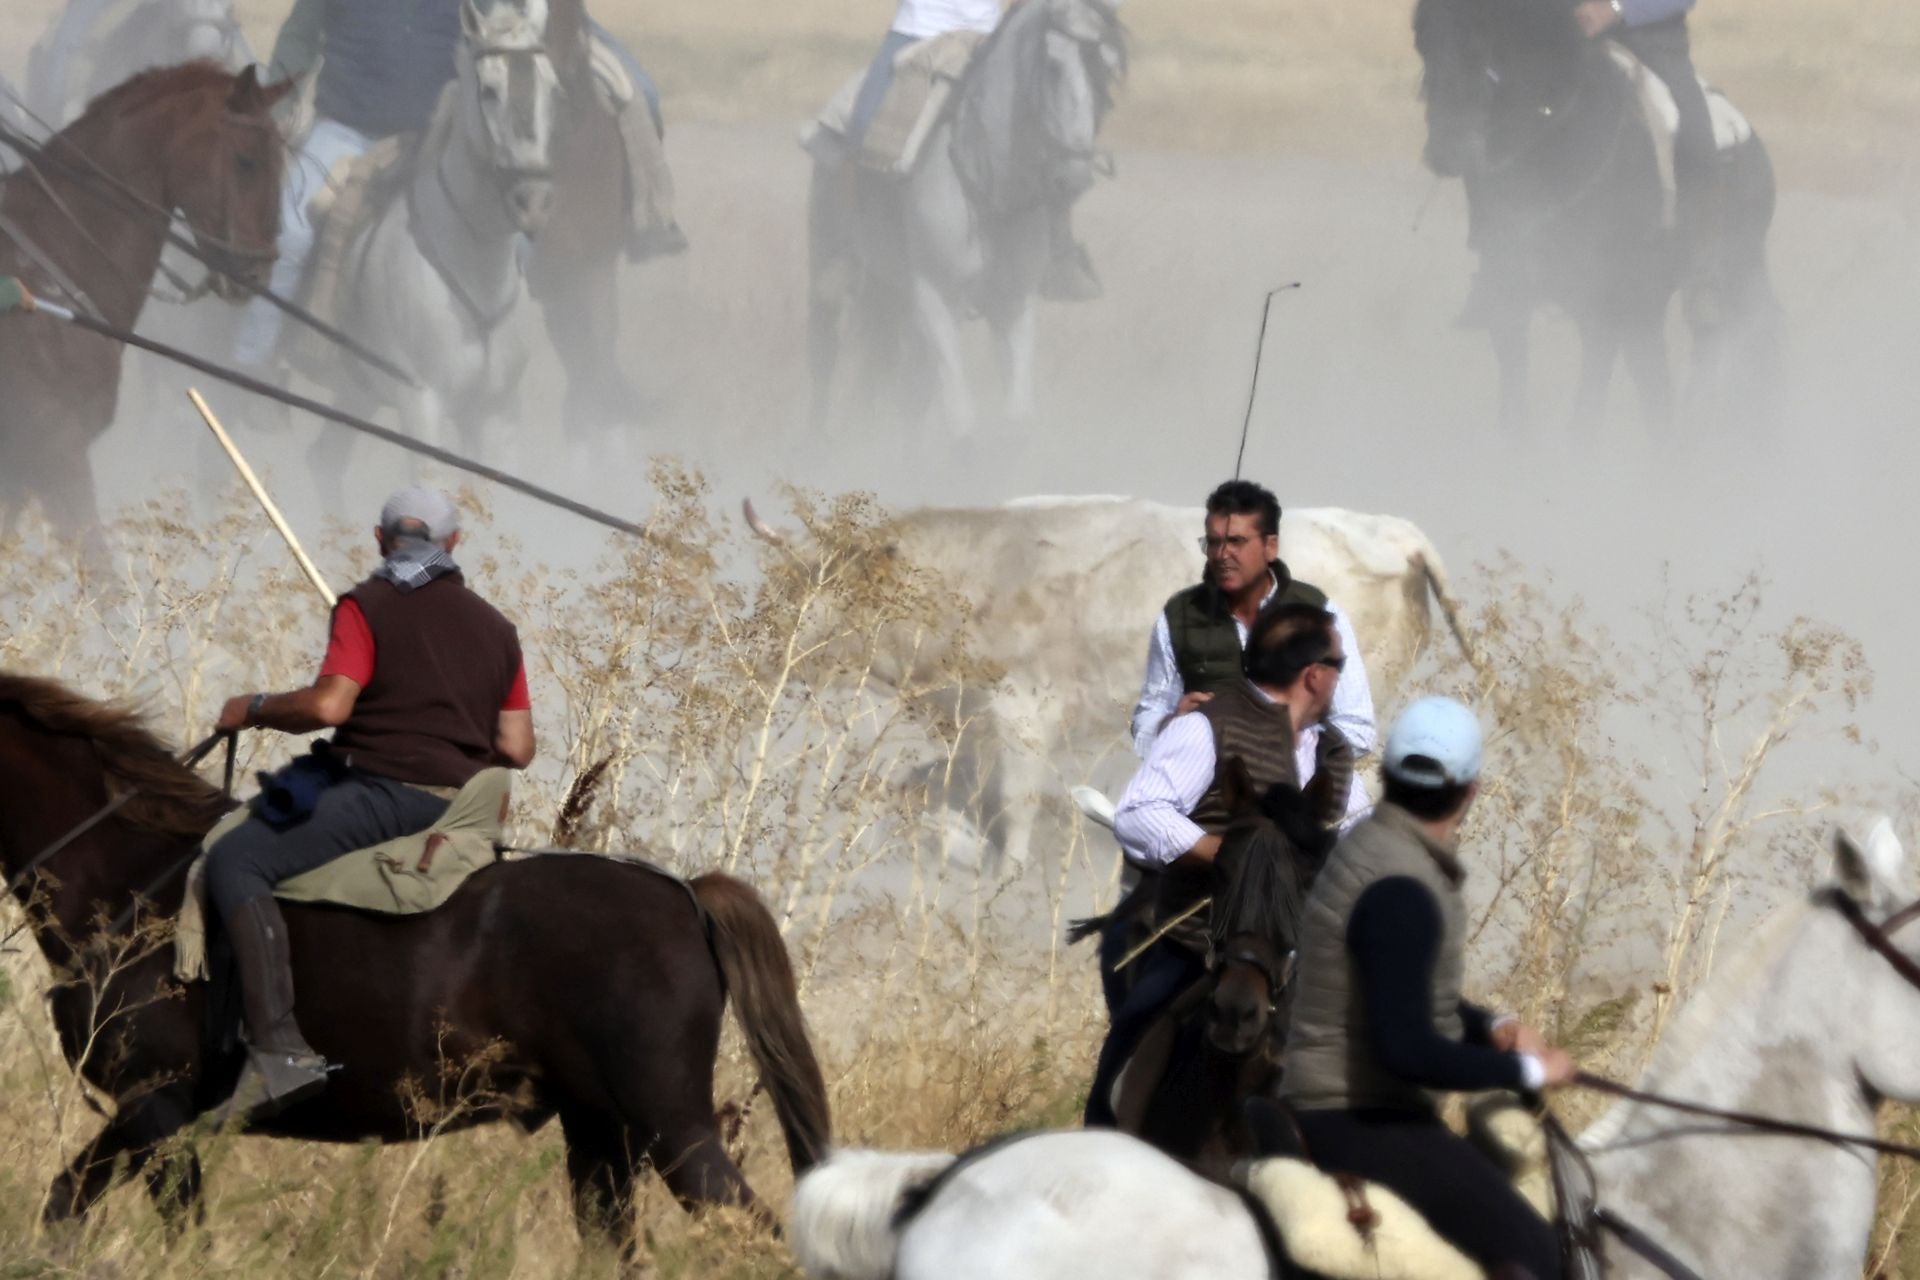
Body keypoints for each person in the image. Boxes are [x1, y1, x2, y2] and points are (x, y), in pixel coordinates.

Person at [204, 487, 535, 1122]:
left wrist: (256, 706)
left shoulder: (367, 604)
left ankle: (280, 1054)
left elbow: (330, 707)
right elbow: (517, 746)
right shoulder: (498, 629)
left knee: (237, 857)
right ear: (454, 545)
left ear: (380, 539)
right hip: (465, 807)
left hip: (385, 792)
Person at [1277, 696, 1573, 1279]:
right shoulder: (1403, 888)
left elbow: (1393, 988)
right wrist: (1532, 1072)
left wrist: (1490, 1027)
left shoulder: (1368, 848)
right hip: (1362, 1120)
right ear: (1471, 790)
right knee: (1541, 1254)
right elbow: (1408, 1051)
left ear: (1385, 775)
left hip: (1335, 1103)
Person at [233, 0, 678, 367]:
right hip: (349, 128)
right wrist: (273, 107)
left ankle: (501, 363)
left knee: (521, 233)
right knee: (291, 233)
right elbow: (300, 36)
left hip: (435, 136)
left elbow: (508, 32)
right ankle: (253, 368)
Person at [1084, 601, 1354, 1126]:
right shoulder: (1208, 725)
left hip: (1299, 959)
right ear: (1316, 676)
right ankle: (1103, 1143)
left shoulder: (1334, 754)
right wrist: (1223, 854)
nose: (1343, 677)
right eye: (1340, 665)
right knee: (1133, 1041)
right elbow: (1138, 813)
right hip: (1201, 943)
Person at [831, 0, 1101, 301]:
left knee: (1050, 133)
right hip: (916, 32)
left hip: (988, 37)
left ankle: (1061, 252)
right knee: (861, 124)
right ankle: (849, 251)